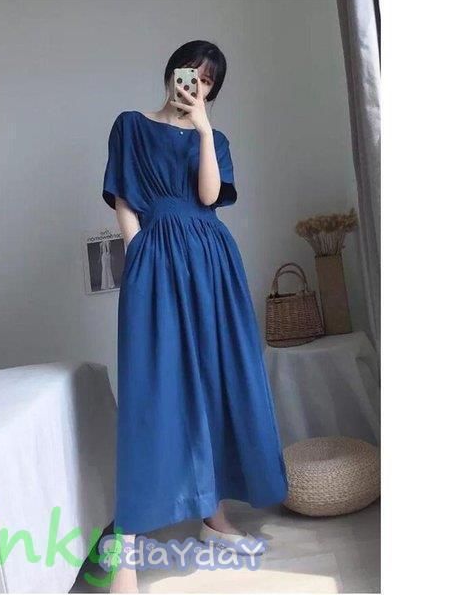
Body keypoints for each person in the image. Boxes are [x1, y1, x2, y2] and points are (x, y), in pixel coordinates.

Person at [101, 40, 288, 593]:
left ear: (212, 91)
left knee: (215, 381)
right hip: (155, 258)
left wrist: (204, 129)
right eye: (191, 73)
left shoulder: (216, 138)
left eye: (208, 81)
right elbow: (124, 199)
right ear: (172, 71)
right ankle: (128, 542)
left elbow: (208, 197)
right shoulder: (130, 126)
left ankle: (214, 516)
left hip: (211, 262)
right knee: (154, 392)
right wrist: (137, 256)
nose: (195, 85)